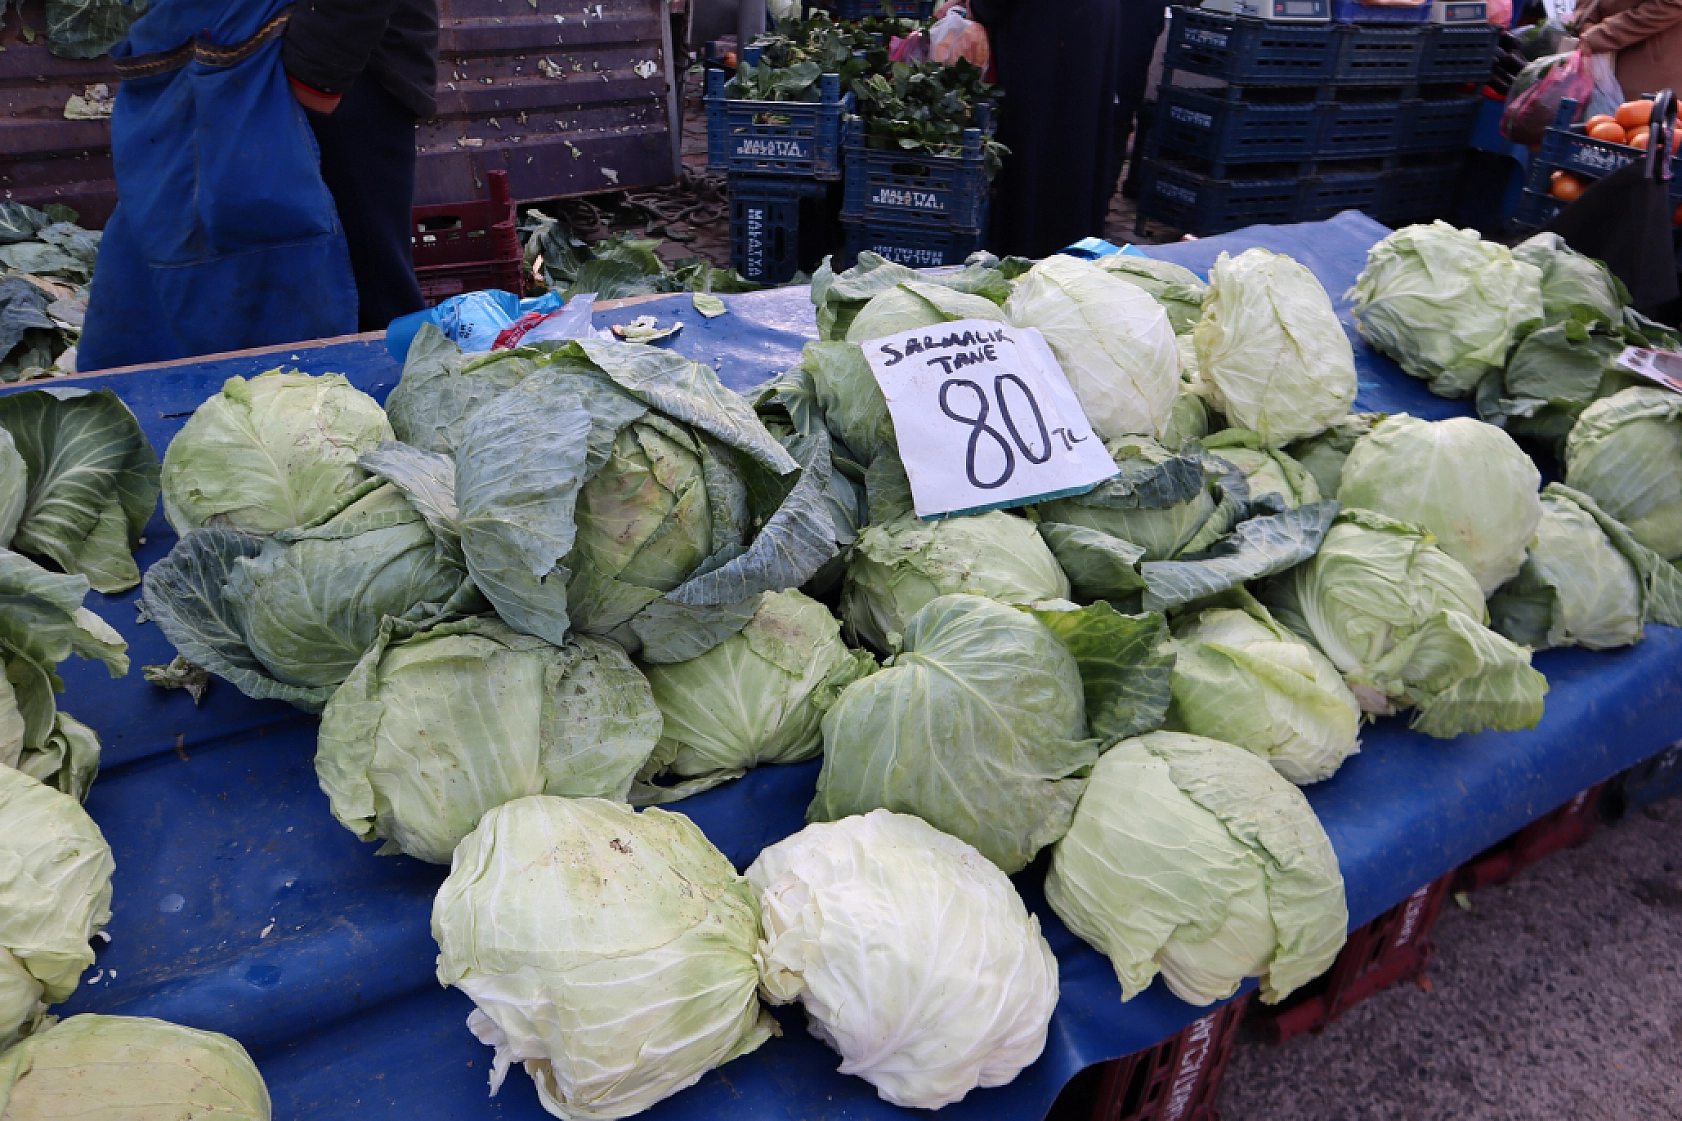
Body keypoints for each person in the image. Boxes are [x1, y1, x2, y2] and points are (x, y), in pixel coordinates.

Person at [78, 0, 437, 372]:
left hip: (319, 68)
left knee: (369, 303)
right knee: (198, 265)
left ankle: (384, 407)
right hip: (203, 63)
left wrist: (318, 74)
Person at [284, 1, 438, 331]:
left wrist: (316, 77)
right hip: (322, 65)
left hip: (346, 72)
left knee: (374, 288)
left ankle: (395, 375)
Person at [970, 0, 1126, 259]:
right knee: (1080, 129)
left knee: (1039, 135)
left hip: (1047, 33)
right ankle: (1076, 245)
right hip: (1086, 22)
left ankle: (1032, 248)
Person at [1575, 0, 1682, 100]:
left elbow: (1672, 4)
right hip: (1597, 65)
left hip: (1650, 68)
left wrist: (1602, 34)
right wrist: (1587, 20)